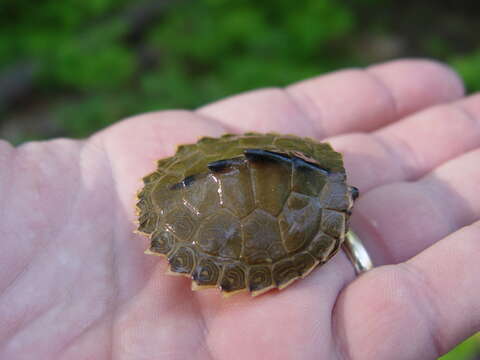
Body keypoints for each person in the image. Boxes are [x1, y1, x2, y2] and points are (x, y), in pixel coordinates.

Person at [0, 59, 479, 360]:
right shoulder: (327, 177)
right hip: (202, 184)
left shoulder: (318, 164)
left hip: (203, 172)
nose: (352, 199)